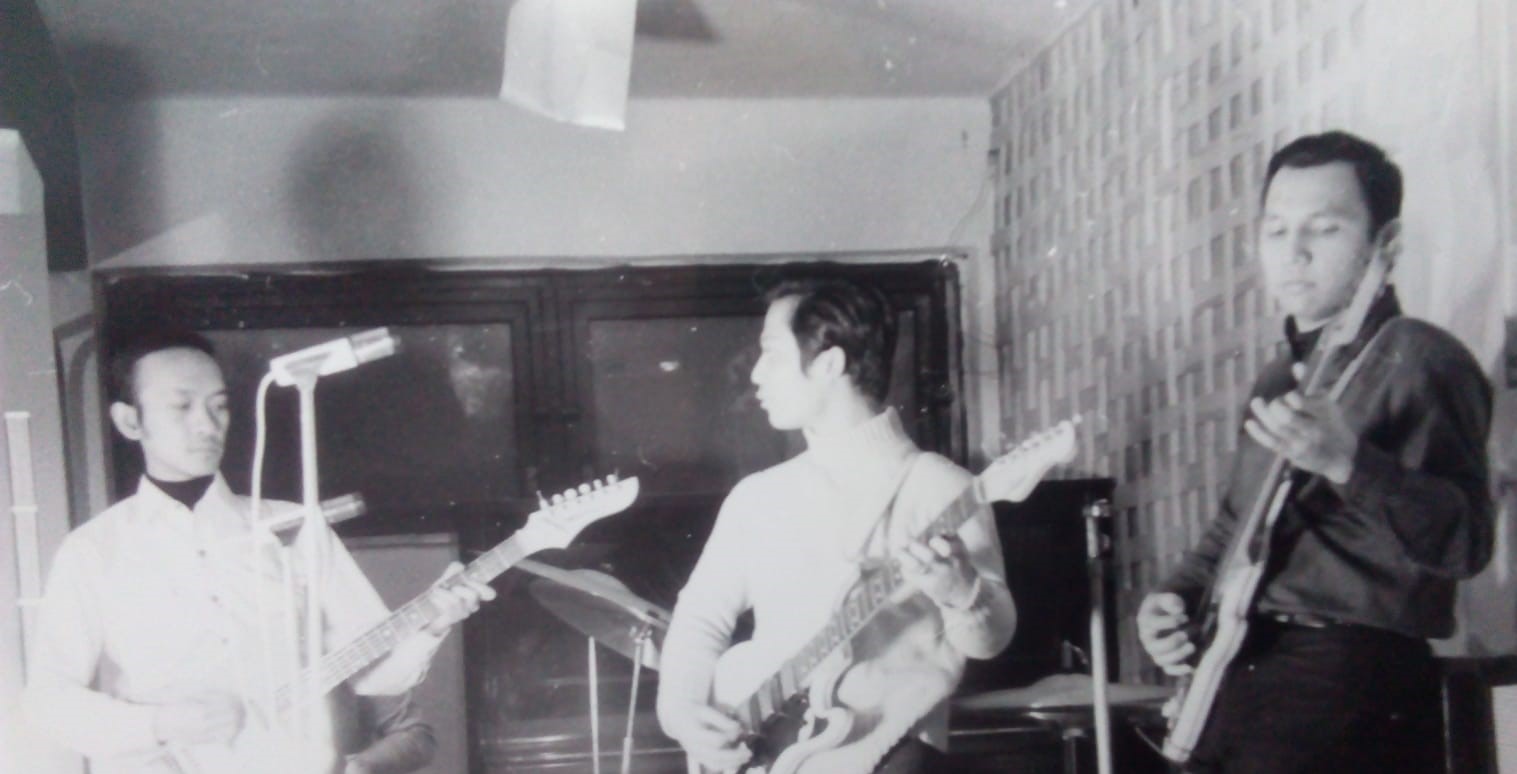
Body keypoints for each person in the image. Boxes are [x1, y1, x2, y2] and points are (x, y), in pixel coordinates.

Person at [1137, 131, 1494, 772]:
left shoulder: (1423, 357)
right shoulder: (1278, 379)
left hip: (1350, 682)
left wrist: (1348, 463)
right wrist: (1172, 600)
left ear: (1386, 243)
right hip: (1241, 673)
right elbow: (1234, 527)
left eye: (1324, 229)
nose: (1293, 253)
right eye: (1276, 231)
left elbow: (1466, 543)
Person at [24, 329, 495, 774]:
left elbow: (374, 675)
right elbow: (50, 702)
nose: (207, 424)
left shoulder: (292, 526)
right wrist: (159, 724)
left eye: (219, 406)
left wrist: (431, 624)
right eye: (182, 406)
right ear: (130, 421)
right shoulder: (93, 550)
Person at [656, 278, 1017, 774]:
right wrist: (682, 713)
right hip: (771, 757)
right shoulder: (757, 496)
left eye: (772, 354)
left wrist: (963, 592)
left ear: (829, 363)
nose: (756, 374)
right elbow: (700, 618)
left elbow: (991, 641)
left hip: (891, 756)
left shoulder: (942, 486)